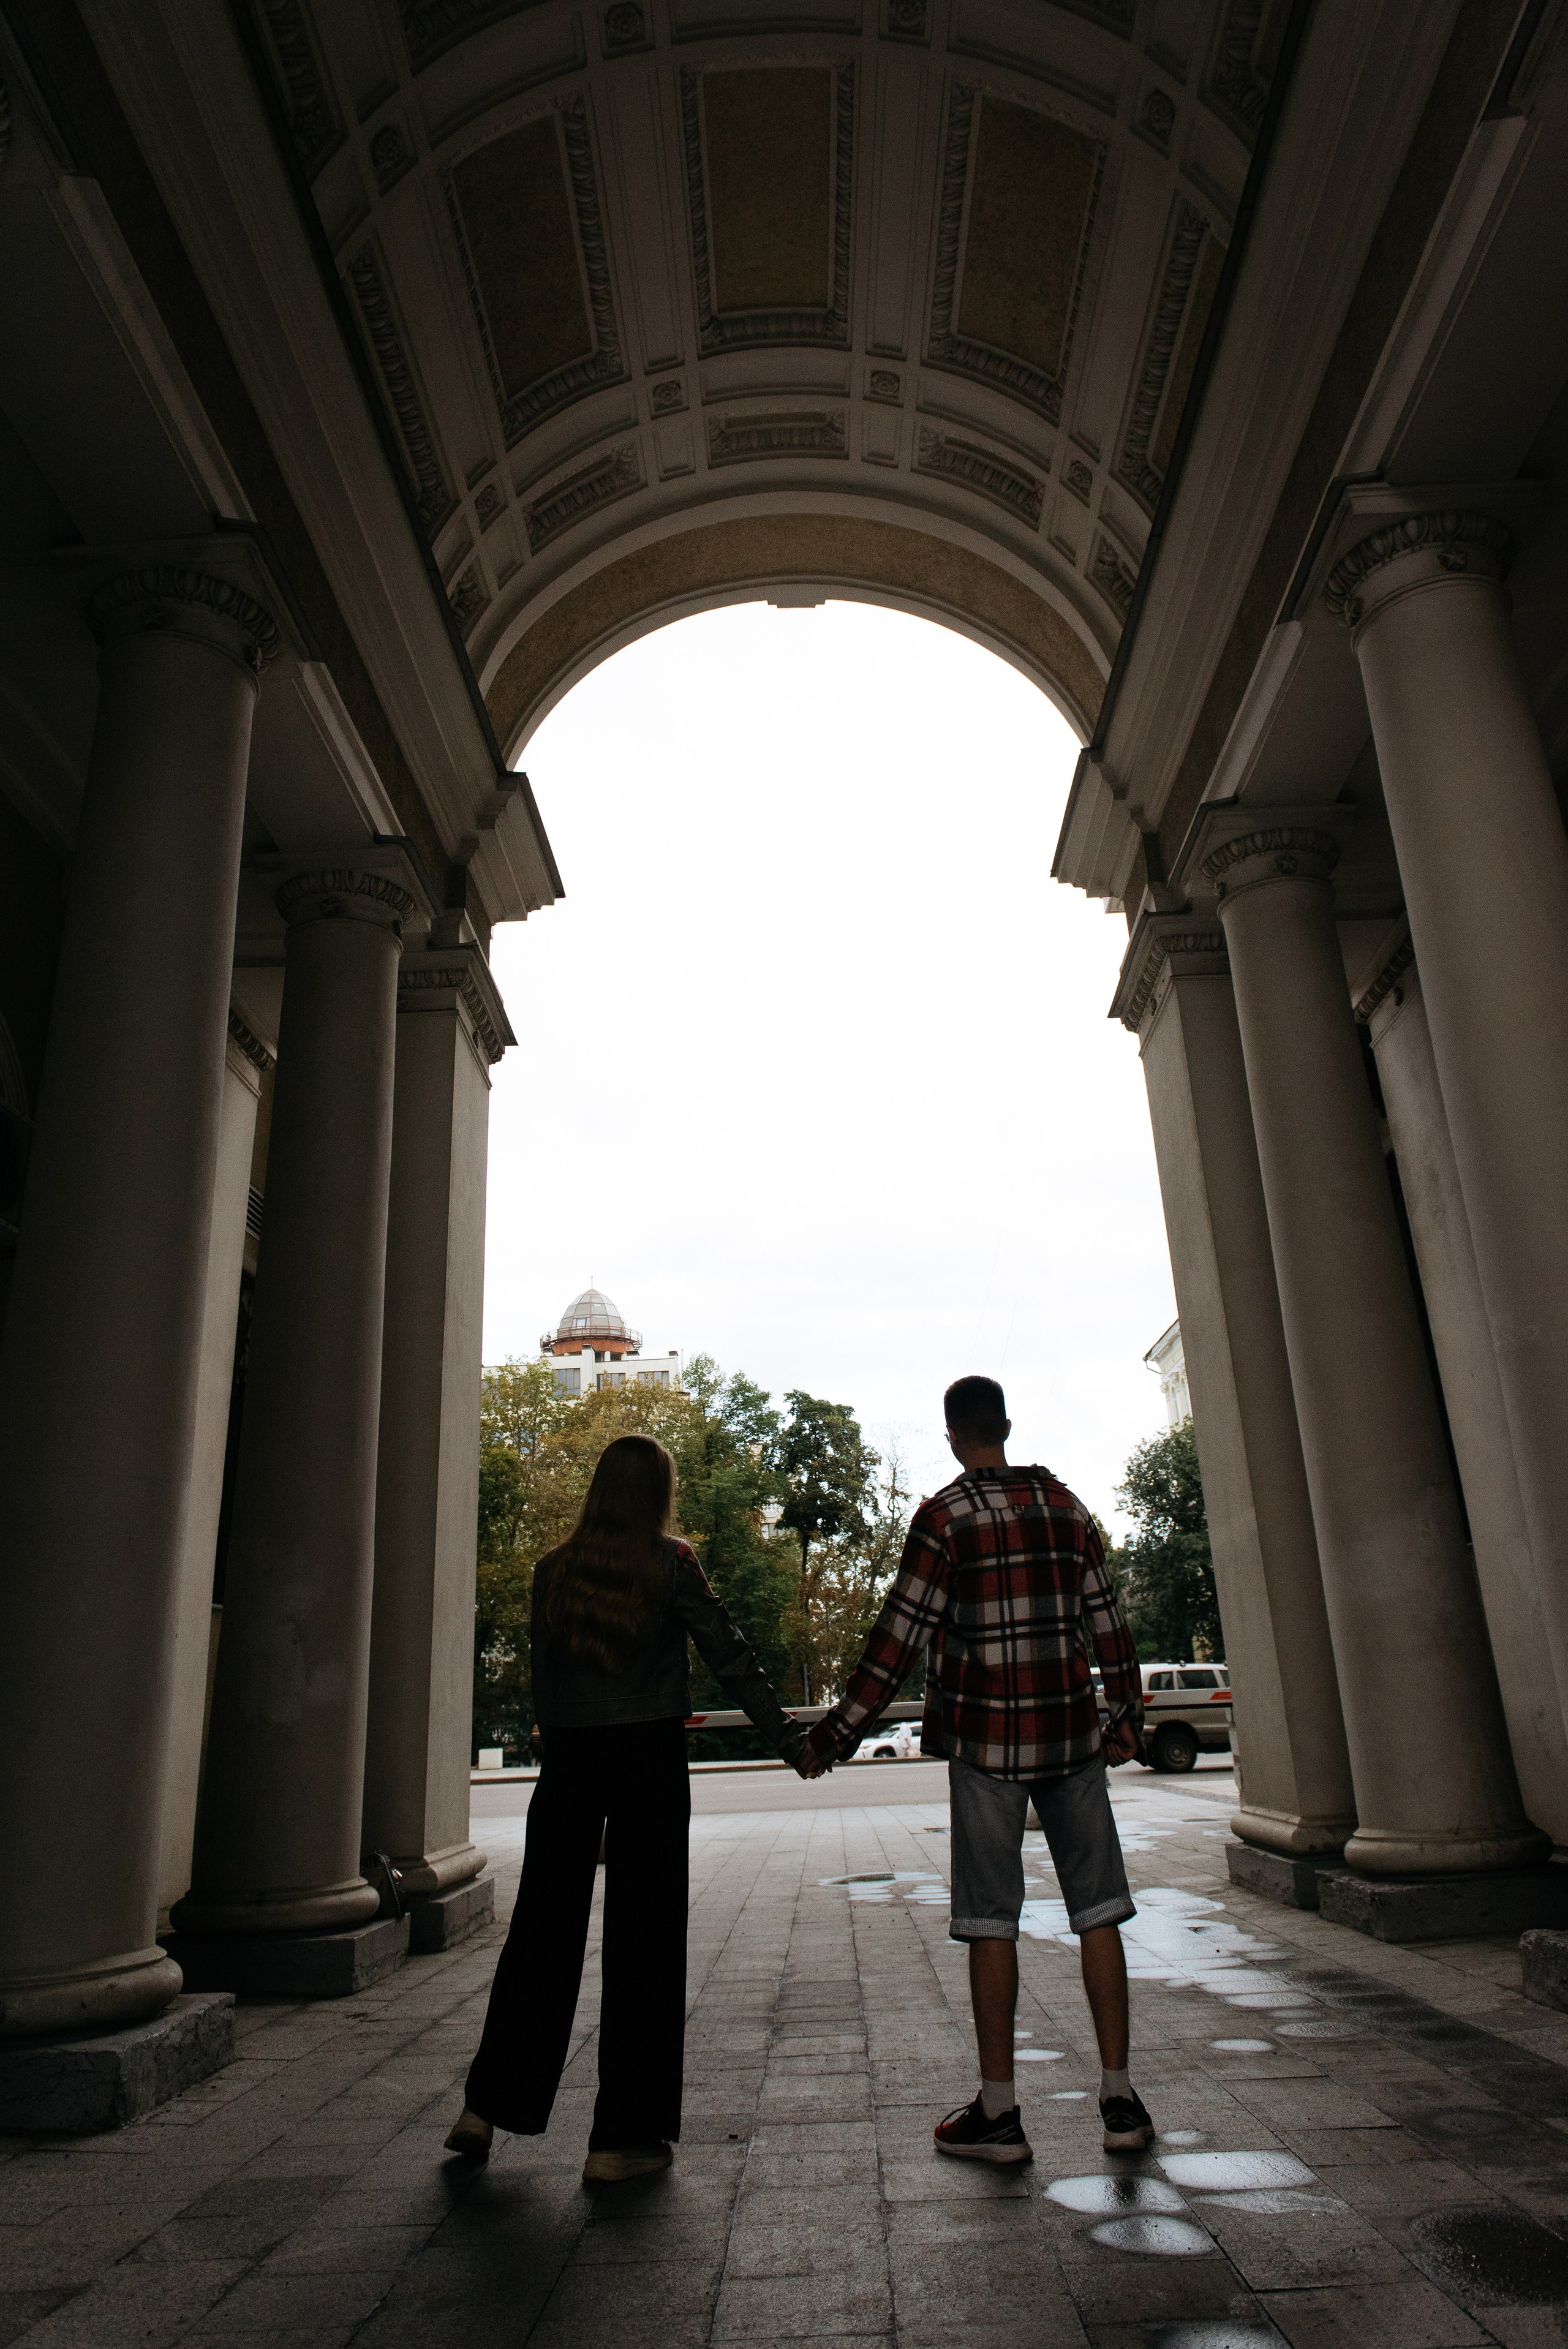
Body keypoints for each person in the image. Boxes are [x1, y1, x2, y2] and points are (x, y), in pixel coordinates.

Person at [795, 1375, 1150, 2163]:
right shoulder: (1067, 1510)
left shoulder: (943, 1520)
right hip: (1071, 1739)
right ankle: (1120, 2103)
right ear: (1008, 1428)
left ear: (954, 1435)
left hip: (986, 1747)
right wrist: (1125, 1717)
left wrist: (833, 1737)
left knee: (991, 1917)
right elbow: (1111, 1625)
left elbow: (899, 1638)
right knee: (1099, 1909)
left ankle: (1000, 2115)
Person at [445, 1433, 807, 2181]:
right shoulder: (672, 1561)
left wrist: (561, 1754)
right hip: (646, 1759)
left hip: (571, 1762)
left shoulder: (553, 1570)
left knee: (540, 1934)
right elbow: (727, 1652)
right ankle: (621, 2137)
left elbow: (542, 1687)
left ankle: (485, 2106)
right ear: (657, 1493)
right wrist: (787, 1736)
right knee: (644, 1940)